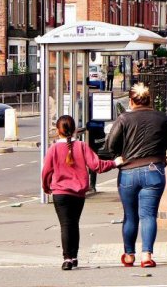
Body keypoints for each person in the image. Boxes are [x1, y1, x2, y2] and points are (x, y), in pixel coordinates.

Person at [105, 82, 167, 268]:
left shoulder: (123, 119)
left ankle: (129, 255)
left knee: (130, 216)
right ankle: (146, 256)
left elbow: (111, 144)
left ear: (131, 101)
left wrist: (118, 156)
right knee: (148, 215)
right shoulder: (161, 118)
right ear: (149, 100)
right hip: (154, 170)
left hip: (128, 172)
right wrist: (158, 151)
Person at [42, 115, 123, 271]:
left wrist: (46, 187)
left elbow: (46, 171)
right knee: (74, 224)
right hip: (78, 193)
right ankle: (74, 257)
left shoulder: (53, 149)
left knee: (65, 225)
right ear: (74, 130)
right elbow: (96, 165)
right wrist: (114, 163)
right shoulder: (82, 146)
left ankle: (67, 259)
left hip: (60, 192)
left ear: (58, 130)